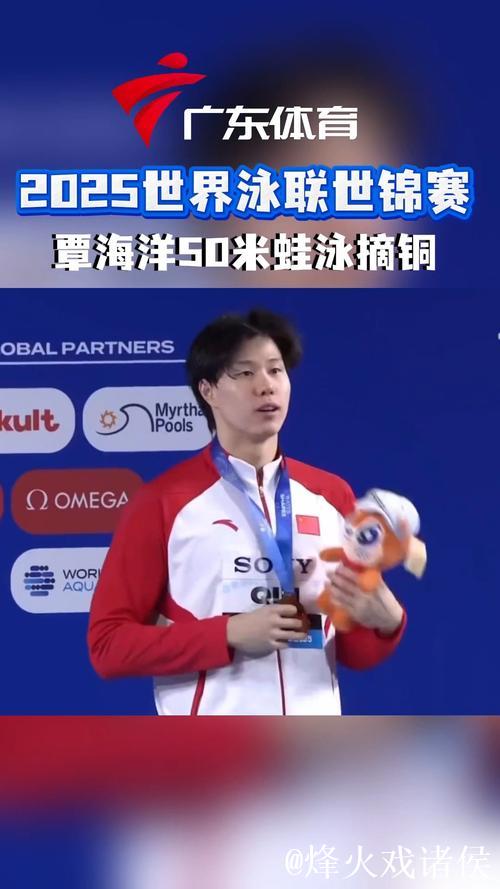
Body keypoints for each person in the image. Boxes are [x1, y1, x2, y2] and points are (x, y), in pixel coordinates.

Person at [88, 308, 406, 715]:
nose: (266, 386)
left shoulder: (331, 494)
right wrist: (229, 633)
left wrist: (387, 622)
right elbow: (108, 645)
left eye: (276, 370)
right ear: (208, 391)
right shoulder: (164, 502)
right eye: (245, 373)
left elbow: (353, 652)